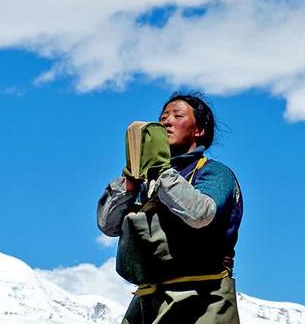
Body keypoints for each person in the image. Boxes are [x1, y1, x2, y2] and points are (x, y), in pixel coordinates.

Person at [97, 92, 243, 324]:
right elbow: (108, 226)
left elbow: (201, 214)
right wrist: (130, 183)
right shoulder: (148, 182)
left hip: (202, 298)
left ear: (199, 130)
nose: (166, 121)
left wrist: (162, 171)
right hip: (148, 299)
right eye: (163, 116)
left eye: (177, 116)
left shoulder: (215, 173)